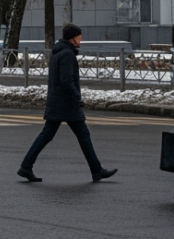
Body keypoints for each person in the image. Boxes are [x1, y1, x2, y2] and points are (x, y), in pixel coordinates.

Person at [17, 24, 117, 183]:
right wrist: (76, 96)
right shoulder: (67, 55)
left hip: (58, 102)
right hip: (66, 104)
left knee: (49, 135)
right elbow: (66, 80)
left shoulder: (59, 52)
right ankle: (97, 170)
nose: (81, 39)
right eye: (79, 36)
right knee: (82, 136)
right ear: (74, 37)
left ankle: (26, 167)